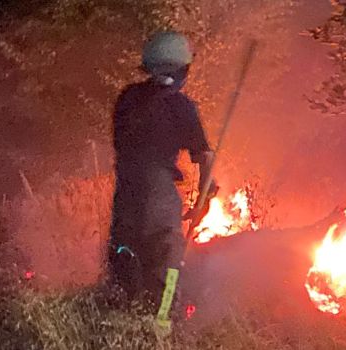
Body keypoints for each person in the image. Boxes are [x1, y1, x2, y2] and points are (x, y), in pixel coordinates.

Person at [107, 31, 214, 332]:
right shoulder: (181, 106)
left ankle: (117, 322)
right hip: (159, 195)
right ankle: (160, 323)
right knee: (167, 262)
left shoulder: (127, 99)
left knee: (124, 254)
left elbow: (124, 146)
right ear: (181, 69)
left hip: (126, 192)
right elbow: (204, 157)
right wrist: (204, 198)